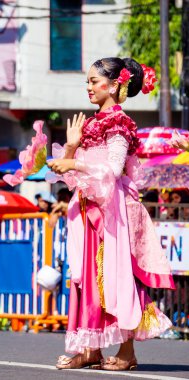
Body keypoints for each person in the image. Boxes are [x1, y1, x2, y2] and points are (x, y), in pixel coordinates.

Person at [47, 57, 175, 371]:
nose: (89, 86)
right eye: (88, 81)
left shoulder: (118, 122)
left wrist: (73, 162)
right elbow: (71, 175)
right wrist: (69, 150)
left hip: (112, 212)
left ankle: (127, 353)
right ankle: (90, 349)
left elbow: (114, 170)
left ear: (115, 84)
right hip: (89, 210)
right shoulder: (91, 123)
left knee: (116, 278)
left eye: (94, 81)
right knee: (88, 279)